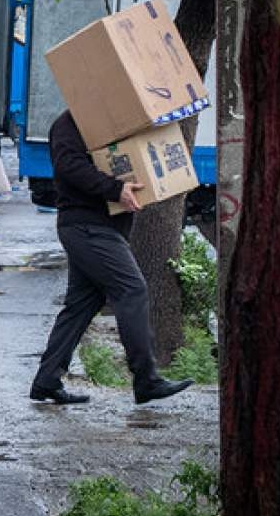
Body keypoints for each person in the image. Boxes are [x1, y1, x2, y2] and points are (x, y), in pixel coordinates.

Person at [29, 110, 193, 405]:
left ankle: (46, 380)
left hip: (98, 227)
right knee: (132, 289)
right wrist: (115, 189)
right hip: (87, 226)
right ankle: (146, 380)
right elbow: (69, 166)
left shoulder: (107, 123)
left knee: (81, 304)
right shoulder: (70, 123)